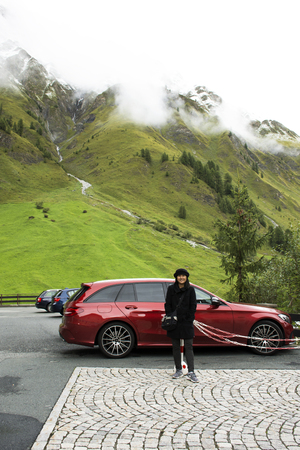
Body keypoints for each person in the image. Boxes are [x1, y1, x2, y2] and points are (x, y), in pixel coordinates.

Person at [164, 268, 199, 383]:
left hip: (186, 322)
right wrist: (170, 316)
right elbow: (167, 304)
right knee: (175, 346)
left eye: (183, 276)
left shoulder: (190, 290)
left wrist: (189, 319)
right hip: (174, 322)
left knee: (189, 346)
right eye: (179, 276)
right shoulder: (171, 289)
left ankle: (191, 371)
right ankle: (178, 369)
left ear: (186, 277)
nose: (181, 278)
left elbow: (193, 306)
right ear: (176, 277)